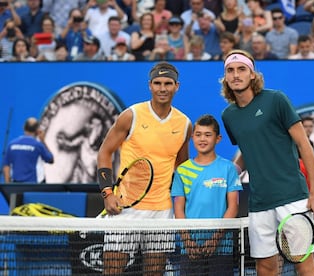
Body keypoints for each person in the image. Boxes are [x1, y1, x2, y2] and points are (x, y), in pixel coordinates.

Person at [220, 49, 314, 276]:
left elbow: (304, 146)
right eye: (230, 70)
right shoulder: (229, 115)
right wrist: (231, 171)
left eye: (241, 69)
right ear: (225, 77)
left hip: (293, 197)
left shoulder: (276, 100)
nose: (236, 75)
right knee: (265, 268)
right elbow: (247, 149)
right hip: (259, 204)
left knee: (304, 264)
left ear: (253, 74)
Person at [97, 61, 192, 275]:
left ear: (177, 86)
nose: (162, 88)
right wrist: (107, 193)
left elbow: (183, 167)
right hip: (125, 207)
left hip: (162, 210)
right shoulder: (131, 115)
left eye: (168, 83)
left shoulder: (185, 124)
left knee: (154, 272)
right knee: (111, 270)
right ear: (150, 85)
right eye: (157, 83)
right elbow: (104, 152)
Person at [171, 114, 243, 275]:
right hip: (189, 249)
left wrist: (215, 239)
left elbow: (233, 207)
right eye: (198, 134)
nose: (202, 139)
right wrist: (187, 241)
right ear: (192, 137)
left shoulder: (228, 168)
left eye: (208, 135)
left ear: (218, 139)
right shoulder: (182, 171)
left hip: (222, 249)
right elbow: (179, 209)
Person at [2, 117, 54, 183]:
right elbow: (51, 159)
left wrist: (8, 186)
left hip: (16, 186)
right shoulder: (38, 145)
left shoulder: (11, 145)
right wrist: (43, 141)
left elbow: (6, 165)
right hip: (33, 186)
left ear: (24, 127)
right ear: (37, 131)